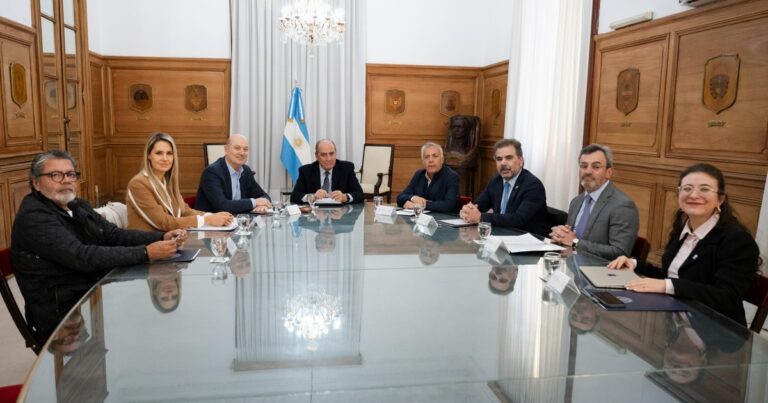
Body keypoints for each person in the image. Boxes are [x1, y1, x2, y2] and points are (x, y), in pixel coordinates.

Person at [11, 150, 184, 341]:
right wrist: (145, 253)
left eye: (70, 174)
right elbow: (81, 256)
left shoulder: (76, 205)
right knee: (143, 319)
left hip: (90, 287)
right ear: (36, 183)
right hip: (63, 311)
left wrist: (160, 237)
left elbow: (113, 235)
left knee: (156, 315)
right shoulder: (34, 218)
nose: (66, 180)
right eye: (56, 175)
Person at [608, 163, 760, 326]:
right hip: (677, 320)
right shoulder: (683, 229)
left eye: (704, 189)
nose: (694, 195)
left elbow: (726, 297)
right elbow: (674, 276)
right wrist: (634, 263)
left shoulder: (737, 240)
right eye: (687, 188)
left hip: (717, 333)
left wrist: (666, 285)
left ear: (720, 199)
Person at [126, 132, 232, 231]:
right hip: (147, 246)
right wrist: (207, 220)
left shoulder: (167, 181)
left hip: (169, 242)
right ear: (148, 155)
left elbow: (185, 211)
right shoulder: (138, 184)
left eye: (169, 153)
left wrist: (212, 216)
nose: (165, 158)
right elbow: (163, 222)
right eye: (159, 153)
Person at [549, 144, 639, 260]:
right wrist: (561, 237)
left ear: (608, 172)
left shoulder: (623, 206)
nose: (588, 171)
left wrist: (575, 242)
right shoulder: (576, 201)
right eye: (584, 166)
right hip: (571, 266)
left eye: (596, 167)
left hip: (601, 273)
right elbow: (570, 239)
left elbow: (620, 252)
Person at [459, 139, 548, 236]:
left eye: (509, 158)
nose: (503, 163)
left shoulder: (533, 185)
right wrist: (468, 210)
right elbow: (480, 204)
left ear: (521, 160)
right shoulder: (496, 180)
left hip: (527, 240)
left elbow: (519, 219)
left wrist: (481, 217)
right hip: (500, 236)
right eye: (499, 159)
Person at [194, 134, 272, 214]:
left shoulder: (246, 170)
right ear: (226, 150)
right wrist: (255, 202)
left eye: (245, 149)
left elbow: (263, 196)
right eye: (237, 148)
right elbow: (222, 206)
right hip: (211, 223)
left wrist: (262, 205)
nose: (242, 153)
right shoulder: (212, 172)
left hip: (237, 222)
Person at [290, 139, 364, 204]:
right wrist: (313, 196)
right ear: (316, 156)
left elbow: (360, 194)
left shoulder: (347, 168)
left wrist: (345, 197)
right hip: (315, 216)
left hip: (340, 215)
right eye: (323, 155)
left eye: (332, 154)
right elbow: (295, 196)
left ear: (336, 153)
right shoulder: (306, 171)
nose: (328, 159)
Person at [397, 142, 460, 213]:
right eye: (427, 157)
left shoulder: (451, 177)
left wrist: (421, 205)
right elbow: (400, 197)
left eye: (435, 156)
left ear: (442, 159)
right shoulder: (419, 175)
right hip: (422, 219)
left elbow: (448, 205)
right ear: (423, 162)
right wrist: (413, 198)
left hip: (445, 220)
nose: (431, 160)